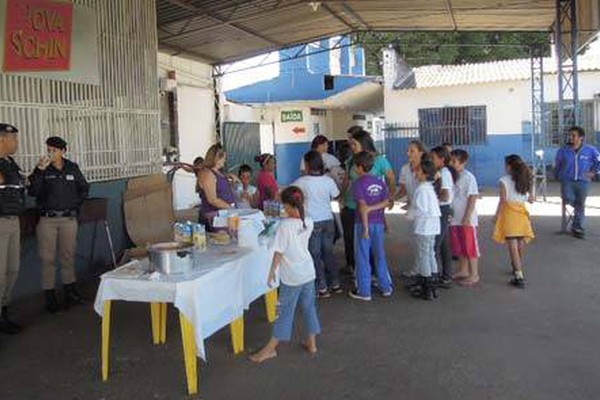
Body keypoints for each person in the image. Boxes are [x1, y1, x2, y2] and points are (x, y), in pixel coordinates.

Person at [249, 186, 320, 363]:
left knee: (284, 311)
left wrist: (272, 271)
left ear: (287, 206)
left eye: (283, 205)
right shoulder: (308, 221)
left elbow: (279, 252)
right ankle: (312, 343)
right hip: (308, 272)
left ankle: (270, 349)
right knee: (308, 307)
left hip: (292, 277)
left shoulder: (284, 226)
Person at [28, 136, 89, 313]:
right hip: (47, 220)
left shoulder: (72, 168)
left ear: (63, 151)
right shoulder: (42, 169)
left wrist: (75, 206)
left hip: (68, 219)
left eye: (54, 150)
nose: (51, 153)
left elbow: (84, 188)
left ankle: (70, 292)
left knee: (68, 257)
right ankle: (50, 296)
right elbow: (33, 191)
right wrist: (39, 171)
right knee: (48, 259)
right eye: (49, 150)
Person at [340, 130, 395, 274]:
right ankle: (355, 269)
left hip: (371, 209)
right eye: (351, 144)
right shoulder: (352, 160)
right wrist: (341, 196)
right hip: (352, 205)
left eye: (354, 144)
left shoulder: (379, 160)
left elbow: (390, 178)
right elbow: (346, 179)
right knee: (352, 240)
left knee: (370, 243)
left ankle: (372, 273)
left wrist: (391, 196)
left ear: (363, 144)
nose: (352, 147)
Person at [293, 151, 341, 298]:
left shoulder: (301, 182)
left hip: (312, 223)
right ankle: (335, 284)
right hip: (328, 221)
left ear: (307, 165)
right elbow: (336, 196)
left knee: (315, 255)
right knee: (328, 253)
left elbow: (288, 193)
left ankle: (322, 287)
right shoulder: (328, 181)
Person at [348, 151, 393, 301]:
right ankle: (386, 287)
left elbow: (362, 207)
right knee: (380, 255)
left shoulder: (358, 183)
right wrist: (384, 221)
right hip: (378, 224)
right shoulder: (380, 182)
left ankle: (364, 291)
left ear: (359, 167)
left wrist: (366, 228)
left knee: (362, 256)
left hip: (363, 225)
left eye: (355, 166)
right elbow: (387, 202)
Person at [493, 155, 535, 289]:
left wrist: (496, 215)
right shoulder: (525, 179)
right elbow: (531, 199)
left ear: (509, 167)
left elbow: (503, 200)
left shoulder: (503, 181)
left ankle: (519, 275)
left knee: (512, 244)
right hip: (522, 213)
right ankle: (516, 267)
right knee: (520, 242)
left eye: (505, 165)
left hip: (510, 214)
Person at [0, 123, 25, 334]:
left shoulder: (11, 164)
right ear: (1, 140)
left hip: (13, 221)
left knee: (12, 270)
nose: (16, 142)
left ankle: (4, 313)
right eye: (13, 138)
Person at [555, 126, 600, 238]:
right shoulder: (563, 150)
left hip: (583, 182)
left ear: (581, 137)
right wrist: (559, 175)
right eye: (570, 135)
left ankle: (578, 228)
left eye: (573, 135)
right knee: (568, 198)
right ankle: (577, 216)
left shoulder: (590, 150)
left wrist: (594, 173)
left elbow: (598, 162)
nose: (571, 138)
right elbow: (558, 164)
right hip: (567, 181)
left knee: (580, 203)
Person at [406, 158, 441, 300]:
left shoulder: (421, 189)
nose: (416, 172)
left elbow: (421, 209)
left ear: (425, 174)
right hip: (433, 225)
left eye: (419, 170)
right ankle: (432, 284)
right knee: (430, 253)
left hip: (424, 227)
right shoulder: (430, 188)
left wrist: (409, 214)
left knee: (423, 255)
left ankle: (426, 288)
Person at [449, 149, 480, 286]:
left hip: (466, 218)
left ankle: (474, 274)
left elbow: (473, 197)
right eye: (451, 161)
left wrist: (467, 216)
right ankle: (463, 270)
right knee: (459, 245)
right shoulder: (452, 176)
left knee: (470, 246)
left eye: (454, 161)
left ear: (463, 162)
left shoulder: (469, 177)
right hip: (455, 218)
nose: (452, 163)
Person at [398, 140, 427, 278]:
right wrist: (391, 199)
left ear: (421, 152)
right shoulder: (405, 168)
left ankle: (426, 274)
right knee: (416, 242)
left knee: (425, 244)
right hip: (413, 210)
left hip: (426, 212)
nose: (408, 153)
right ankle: (418, 269)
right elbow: (403, 190)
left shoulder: (427, 169)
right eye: (408, 150)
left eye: (412, 151)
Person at [430, 146, 458, 288]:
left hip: (443, 210)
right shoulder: (440, 172)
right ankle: (446, 276)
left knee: (434, 245)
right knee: (444, 245)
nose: (431, 160)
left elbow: (445, 195)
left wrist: (431, 197)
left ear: (441, 159)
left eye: (433, 158)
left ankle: (432, 277)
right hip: (443, 209)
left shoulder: (444, 173)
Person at [197, 143, 236, 230]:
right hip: (213, 217)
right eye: (224, 158)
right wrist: (231, 208)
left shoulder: (218, 172)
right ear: (217, 158)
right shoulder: (207, 174)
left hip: (223, 214)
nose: (225, 160)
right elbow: (212, 200)